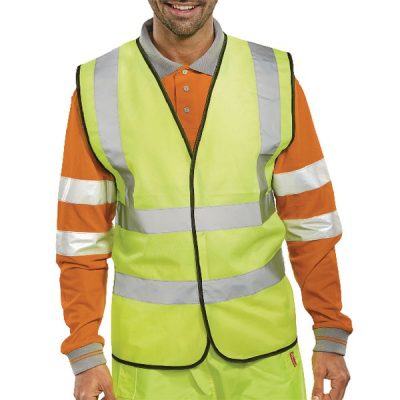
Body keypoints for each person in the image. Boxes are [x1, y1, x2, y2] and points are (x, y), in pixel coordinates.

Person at [56, 1, 353, 399]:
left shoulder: (273, 77)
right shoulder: (98, 85)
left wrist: (329, 330)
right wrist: (84, 350)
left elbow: (311, 221)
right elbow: (81, 238)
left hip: (264, 354)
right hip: (151, 362)